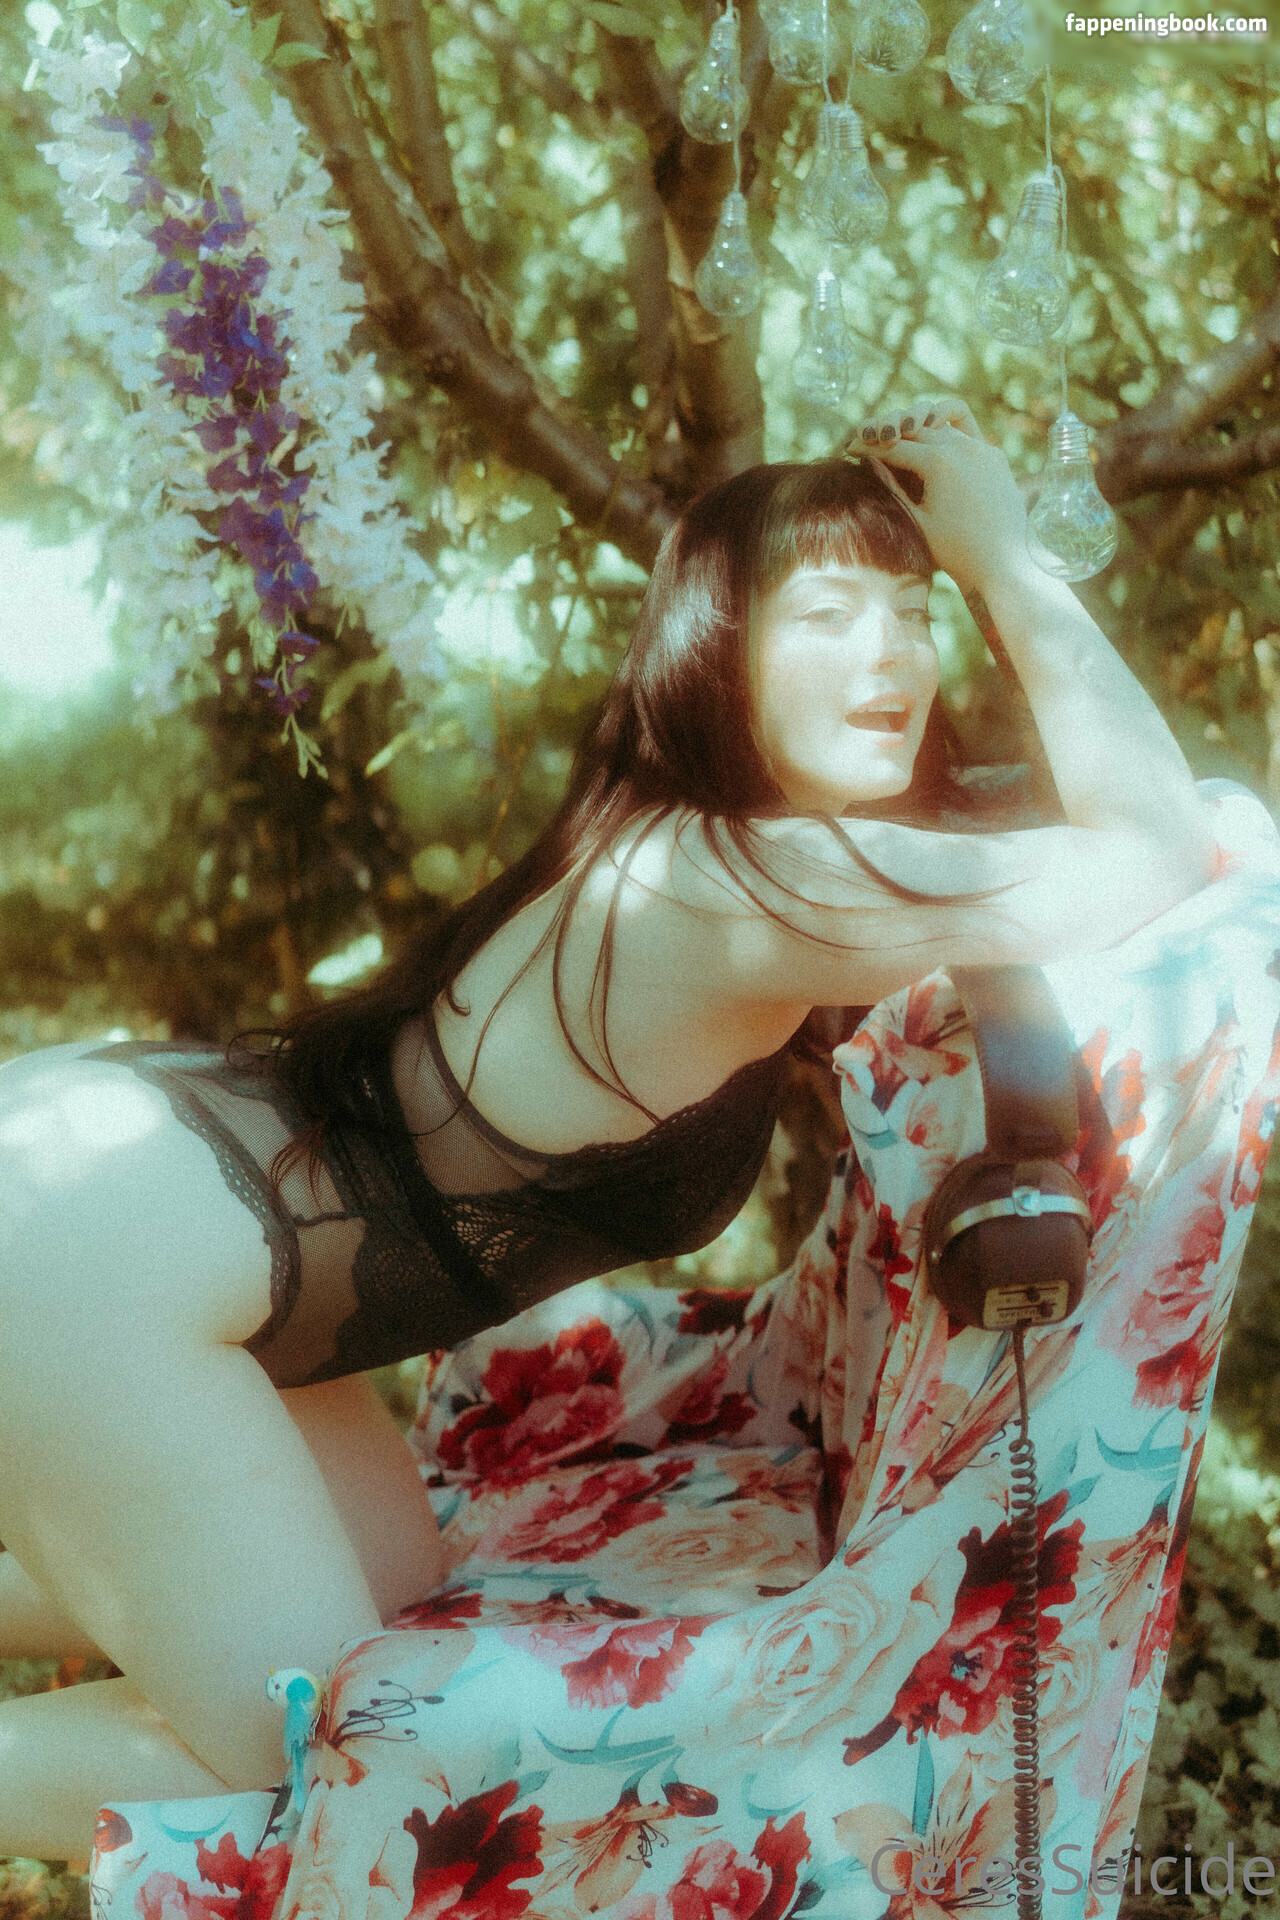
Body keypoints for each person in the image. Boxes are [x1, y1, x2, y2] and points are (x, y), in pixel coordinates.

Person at [0, 398, 1213, 1862]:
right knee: (342, 1764)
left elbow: (1052, 835)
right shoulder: (748, 883)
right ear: (721, 644)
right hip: (103, 1249)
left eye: (917, 611)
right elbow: (1158, 847)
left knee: (390, 1582)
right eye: (829, 613)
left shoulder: (710, 836)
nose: (892, 654)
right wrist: (1005, 554)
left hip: (158, 1196)